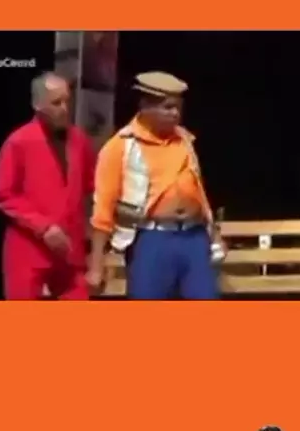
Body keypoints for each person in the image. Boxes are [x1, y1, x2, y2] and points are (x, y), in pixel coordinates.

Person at [87, 71, 225, 299]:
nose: (175, 113)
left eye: (178, 107)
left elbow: (198, 190)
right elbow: (103, 208)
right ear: (145, 106)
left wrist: (214, 235)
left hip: (194, 236)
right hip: (151, 238)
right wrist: (96, 266)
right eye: (168, 107)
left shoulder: (184, 140)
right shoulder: (121, 146)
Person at [0, 72, 96, 299]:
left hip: (69, 249)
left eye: (67, 101)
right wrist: (43, 227)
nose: (65, 109)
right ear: (38, 104)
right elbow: (3, 195)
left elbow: (92, 183)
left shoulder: (79, 140)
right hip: (29, 248)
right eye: (56, 103)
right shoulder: (19, 142)